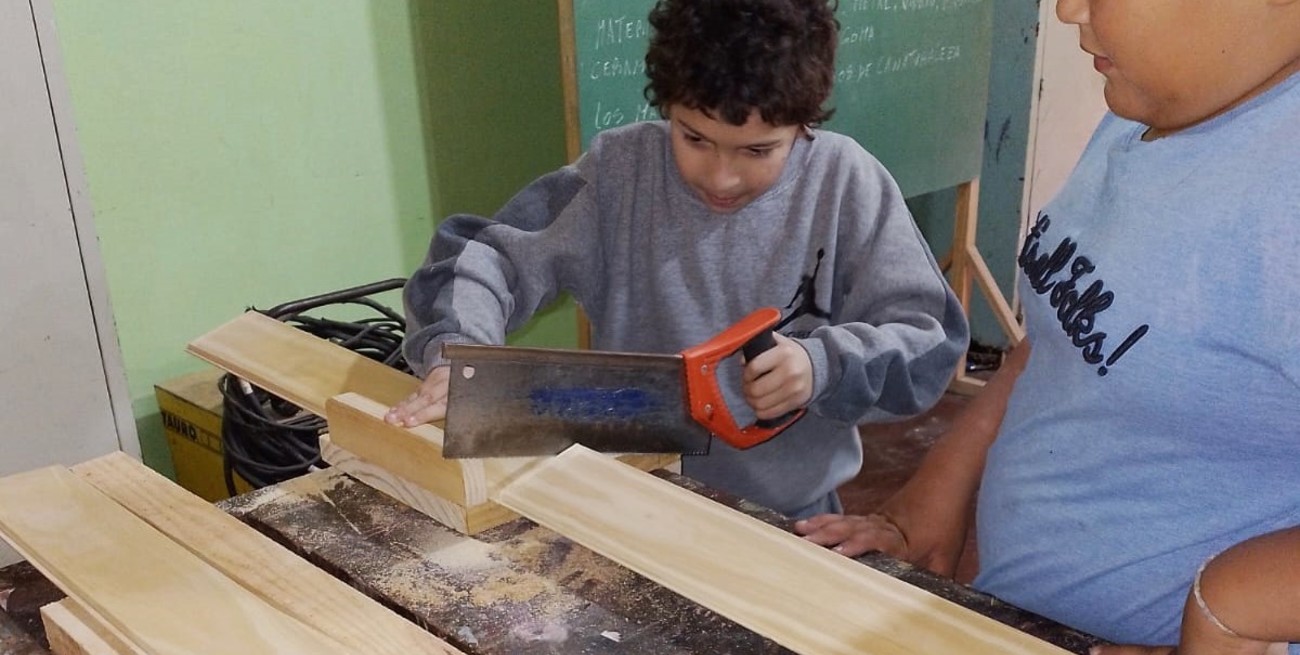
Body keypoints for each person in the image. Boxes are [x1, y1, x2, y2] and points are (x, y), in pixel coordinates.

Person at [796, 0, 1300, 652]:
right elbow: (1069, 340)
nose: (1066, 10)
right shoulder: (1155, 108)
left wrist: (1229, 609)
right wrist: (933, 496)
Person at [385, 0, 968, 519]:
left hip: (789, 518)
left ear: (805, 121)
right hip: (627, 500)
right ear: (667, 106)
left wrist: (823, 366)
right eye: (693, 138)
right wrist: (458, 360)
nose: (721, 176)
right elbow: (485, 256)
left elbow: (928, 342)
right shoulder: (619, 172)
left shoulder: (847, 183)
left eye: (758, 150)